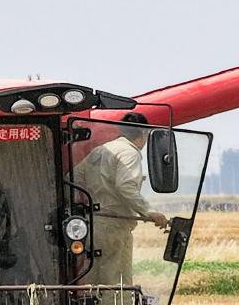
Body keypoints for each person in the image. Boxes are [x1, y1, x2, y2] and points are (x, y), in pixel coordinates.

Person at [71, 112, 169, 290]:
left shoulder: (101, 150)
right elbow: (125, 186)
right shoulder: (130, 153)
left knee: (91, 284)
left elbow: (74, 177)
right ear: (144, 134)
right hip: (115, 227)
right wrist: (149, 211)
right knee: (116, 285)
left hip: (92, 224)